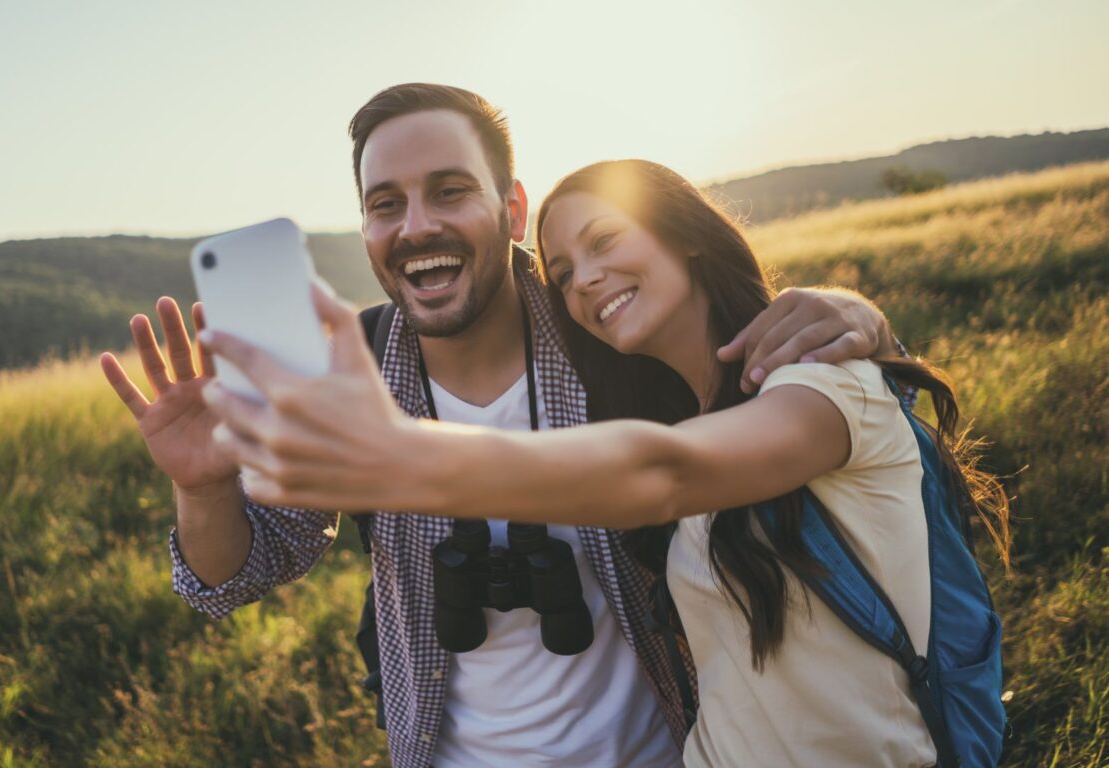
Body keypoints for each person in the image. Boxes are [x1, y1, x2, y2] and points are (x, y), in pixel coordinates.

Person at [100, 84, 904, 768]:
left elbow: (727, 375)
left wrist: (860, 317)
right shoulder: (353, 370)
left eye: (449, 190)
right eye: (386, 205)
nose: (416, 226)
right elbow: (247, 571)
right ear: (367, 230)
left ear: (511, 208)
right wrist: (203, 489)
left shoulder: (604, 325)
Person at [198, 159, 1013, 767]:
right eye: (563, 272)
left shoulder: (815, 384)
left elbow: (659, 473)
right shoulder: (666, 399)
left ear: (686, 233)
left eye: (605, 242)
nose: (586, 280)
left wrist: (402, 454)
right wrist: (204, 480)